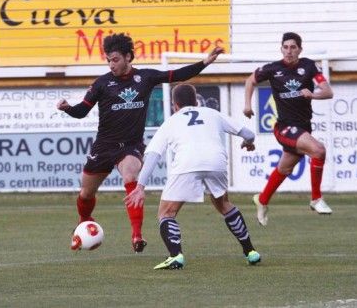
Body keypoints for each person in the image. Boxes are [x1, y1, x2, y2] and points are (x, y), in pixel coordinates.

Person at [57, 33, 224, 253]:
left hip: (130, 146)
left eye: (115, 59)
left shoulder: (144, 78)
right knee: (86, 194)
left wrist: (204, 62)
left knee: (131, 176)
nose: (111, 64)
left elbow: (176, 75)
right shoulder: (102, 83)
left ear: (128, 57)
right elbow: (81, 111)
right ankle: (84, 221)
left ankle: (137, 235)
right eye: (108, 60)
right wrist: (67, 108)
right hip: (104, 146)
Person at [124, 84, 261, 269]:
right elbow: (249, 134)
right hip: (216, 161)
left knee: (166, 213)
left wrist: (140, 187)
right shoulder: (213, 113)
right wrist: (248, 143)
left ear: (175, 106)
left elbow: (153, 155)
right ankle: (250, 251)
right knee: (223, 204)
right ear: (196, 102)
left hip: (187, 163)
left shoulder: (171, 121)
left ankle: (175, 255)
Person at [243, 32, 334, 226]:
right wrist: (247, 105)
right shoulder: (272, 69)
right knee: (318, 150)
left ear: (300, 49)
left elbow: (327, 91)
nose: (289, 51)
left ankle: (262, 199)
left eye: (293, 47)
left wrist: (313, 95)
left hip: (303, 127)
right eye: (286, 47)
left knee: (285, 168)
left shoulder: (309, 66)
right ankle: (316, 199)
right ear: (281, 48)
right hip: (284, 127)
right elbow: (250, 80)